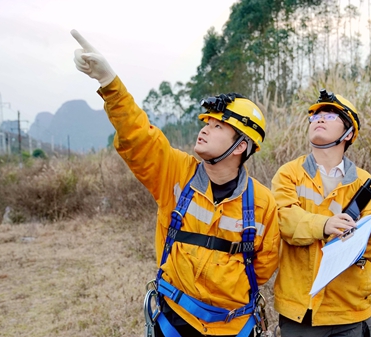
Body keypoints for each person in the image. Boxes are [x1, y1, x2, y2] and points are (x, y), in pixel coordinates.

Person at [71, 29, 280, 337]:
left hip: (233, 328)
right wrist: (109, 83)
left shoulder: (262, 203)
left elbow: (263, 266)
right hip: (174, 322)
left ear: (240, 146)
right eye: (207, 122)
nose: (206, 128)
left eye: (219, 125)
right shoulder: (175, 173)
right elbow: (139, 137)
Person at [271, 89, 371, 337]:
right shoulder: (289, 174)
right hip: (300, 313)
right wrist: (324, 225)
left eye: (330, 116)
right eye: (315, 115)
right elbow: (283, 219)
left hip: (350, 312)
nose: (319, 119)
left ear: (348, 133)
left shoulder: (365, 183)